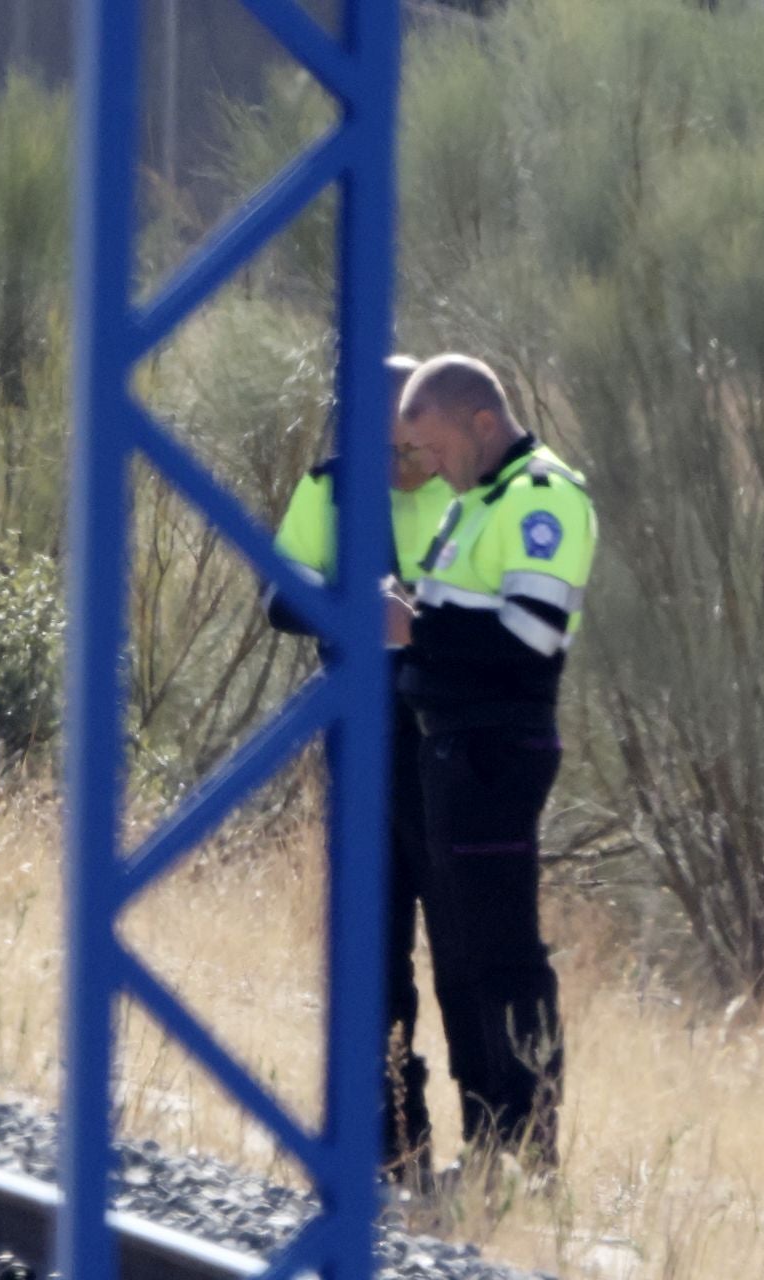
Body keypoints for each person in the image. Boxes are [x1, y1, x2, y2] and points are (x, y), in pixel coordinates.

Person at [394, 353, 597, 1178]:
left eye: (434, 446)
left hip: (494, 750)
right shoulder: (472, 502)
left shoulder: (541, 496)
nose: (427, 467)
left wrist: (412, 632)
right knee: (463, 955)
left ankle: (526, 1151)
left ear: (482, 421)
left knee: (503, 955)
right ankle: (487, 1143)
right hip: (448, 746)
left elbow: (533, 634)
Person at [264, 355, 456, 1187]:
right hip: (360, 734)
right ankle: (390, 1141)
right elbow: (281, 594)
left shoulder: (469, 487)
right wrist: (351, 605)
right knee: (372, 947)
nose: (403, 428)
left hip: (452, 739)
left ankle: (497, 1146)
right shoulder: (333, 484)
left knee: (464, 947)